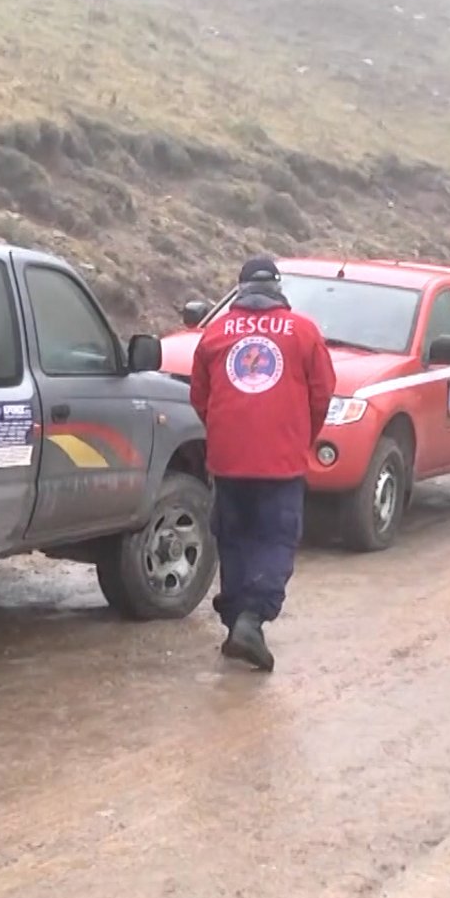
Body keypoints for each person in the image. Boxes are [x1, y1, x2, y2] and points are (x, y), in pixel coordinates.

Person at [188, 256, 337, 671]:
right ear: (277, 287)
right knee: (274, 538)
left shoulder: (215, 333)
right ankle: (252, 620)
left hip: (228, 459)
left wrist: (226, 434)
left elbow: (200, 397)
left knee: (233, 537)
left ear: (239, 288)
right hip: (281, 461)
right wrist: (299, 438)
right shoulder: (304, 332)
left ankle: (237, 622)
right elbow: (322, 394)